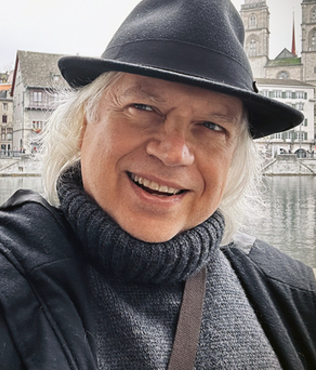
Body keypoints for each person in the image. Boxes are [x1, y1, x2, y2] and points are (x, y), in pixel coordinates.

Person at [0, 0, 315, 369]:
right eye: (143, 108)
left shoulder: (291, 293)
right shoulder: (10, 271)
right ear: (85, 124)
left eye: (213, 126)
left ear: (233, 159)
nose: (173, 152)